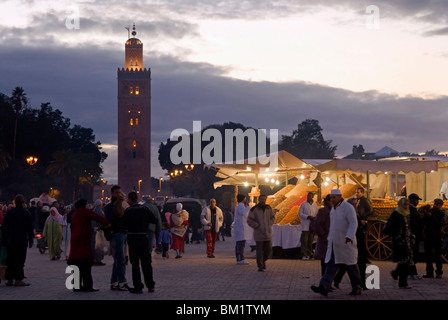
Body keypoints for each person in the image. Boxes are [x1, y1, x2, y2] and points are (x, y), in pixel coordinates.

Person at [311, 189, 361, 296]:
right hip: (335, 243)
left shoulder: (347, 208)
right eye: (331, 198)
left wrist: (349, 236)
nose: (332, 200)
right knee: (331, 265)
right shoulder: (333, 209)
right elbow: (333, 226)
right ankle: (323, 286)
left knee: (351, 266)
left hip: (346, 243)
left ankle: (357, 287)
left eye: (334, 197)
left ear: (340, 197)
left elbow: (353, 222)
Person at [68, 199, 109, 292]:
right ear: (84, 205)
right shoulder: (85, 212)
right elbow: (98, 218)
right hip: (83, 240)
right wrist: (106, 223)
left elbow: (79, 226)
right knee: (86, 264)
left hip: (75, 240)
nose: (88, 206)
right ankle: (88, 286)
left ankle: (77, 286)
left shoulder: (75, 213)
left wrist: (92, 229)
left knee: (77, 264)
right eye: (87, 204)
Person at [124, 192, 159, 293]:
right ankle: (150, 285)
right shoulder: (145, 209)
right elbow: (154, 220)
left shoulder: (128, 211)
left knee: (135, 264)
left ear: (129, 199)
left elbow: (124, 225)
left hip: (132, 237)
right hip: (143, 237)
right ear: (137, 198)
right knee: (146, 263)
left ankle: (138, 286)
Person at [333, 197, 369, 290]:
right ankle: (358, 285)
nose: (355, 206)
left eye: (356, 204)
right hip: (351, 241)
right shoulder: (347, 214)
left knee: (355, 264)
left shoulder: (357, 213)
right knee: (350, 264)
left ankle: (361, 284)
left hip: (359, 242)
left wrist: (363, 224)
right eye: (353, 204)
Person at [1, 194, 34, 286]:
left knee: (10, 260)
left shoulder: (9, 213)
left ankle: (10, 279)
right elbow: (29, 228)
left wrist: (4, 240)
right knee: (20, 260)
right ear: (23, 203)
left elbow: (4, 227)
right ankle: (19, 279)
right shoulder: (26, 213)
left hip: (10, 240)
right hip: (21, 241)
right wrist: (31, 240)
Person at [104, 185, 130, 291]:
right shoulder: (110, 206)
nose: (118, 194)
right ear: (112, 193)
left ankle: (114, 282)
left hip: (122, 233)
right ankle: (122, 282)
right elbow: (113, 219)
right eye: (116, 193)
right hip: (117, 234)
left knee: (118, 260)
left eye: (120, 192)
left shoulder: (122, 204)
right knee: (120, 259)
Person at [389, 198, 414, 289]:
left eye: (407, 205)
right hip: (400, 241)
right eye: (404, 205)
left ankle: (398, 276)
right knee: (404, 261)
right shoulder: (396, 214)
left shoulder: (406, 214)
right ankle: (402, 282)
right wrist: (398, 237)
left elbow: (407, 227)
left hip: (406, 240)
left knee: (406, 261)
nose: (406, 206)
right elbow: (391, 227)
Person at [247, 194, 275, 272]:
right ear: (259, 200)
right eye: (262, 199)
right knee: (259, 250)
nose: (263, 201)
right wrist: (257, 226)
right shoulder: (254, 209)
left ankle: (263, 261)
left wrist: (270, 223)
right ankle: (260, 265)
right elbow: (249, 220)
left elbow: (273, 217)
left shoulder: (268, 208)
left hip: (267, 233)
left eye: (264, 199)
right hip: (259, 233)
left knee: (268, 250)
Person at [422, 198, 447, 279]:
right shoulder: (430, 211)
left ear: (441, 205)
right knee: (428, 255)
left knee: (438, 255)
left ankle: (439, 272)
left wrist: (431, 216)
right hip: (428, 236)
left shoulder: (442, 213)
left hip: (437, 236)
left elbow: (440, 222)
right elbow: (424, 221)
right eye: (435, 203)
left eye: (438, 204)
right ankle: (429, 272)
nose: (436, 205)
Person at [313, 194, 331, 275]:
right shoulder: (322, 211)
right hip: (325, 240)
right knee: (325, 262)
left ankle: (327, 282)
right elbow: (316, 224)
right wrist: (323, 234)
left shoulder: (335, 211)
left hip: (332, 240)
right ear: (327, 201)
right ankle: (325, 282)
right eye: (332, 199)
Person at [408, 193, 424, 280]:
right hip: (413, 235)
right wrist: (420, 217)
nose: (417, 202)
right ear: (411, 200)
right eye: (416, 200)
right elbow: (415, 222)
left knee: (412, 254)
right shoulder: (411, 209)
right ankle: (412, 273)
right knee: (412, 253)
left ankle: (411, 272)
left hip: (412, 234)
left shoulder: (412, 209)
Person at [298, 192, 318, 260]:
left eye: (310, 196)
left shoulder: (315, 205)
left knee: (310, 241)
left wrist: (314, 218)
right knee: (304, 240)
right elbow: (300, 214)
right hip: (305, 225)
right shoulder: (303, 204)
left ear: (312, 197)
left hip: (312, 225)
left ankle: (309, 254)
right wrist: (307, 217)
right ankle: (304, 254)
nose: (308, 197)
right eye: (307, 196)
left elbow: (317, 213)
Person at [233, 194, 251, 265]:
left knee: (239, 244)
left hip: (240, 228)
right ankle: (241, 258)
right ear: (243, 199)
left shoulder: (240, 206)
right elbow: (243, 212)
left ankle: (239, 258)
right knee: (240, 244)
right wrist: (249, 207)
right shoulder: (240, 205)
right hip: (240, 228)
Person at [91, 199, 106, 266]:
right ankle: (98, 260)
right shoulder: (100, 212)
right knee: (99, 246)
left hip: (94, 230)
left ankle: (95, 259)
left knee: (94, 245)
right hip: (98, 231)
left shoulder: (94, 211)